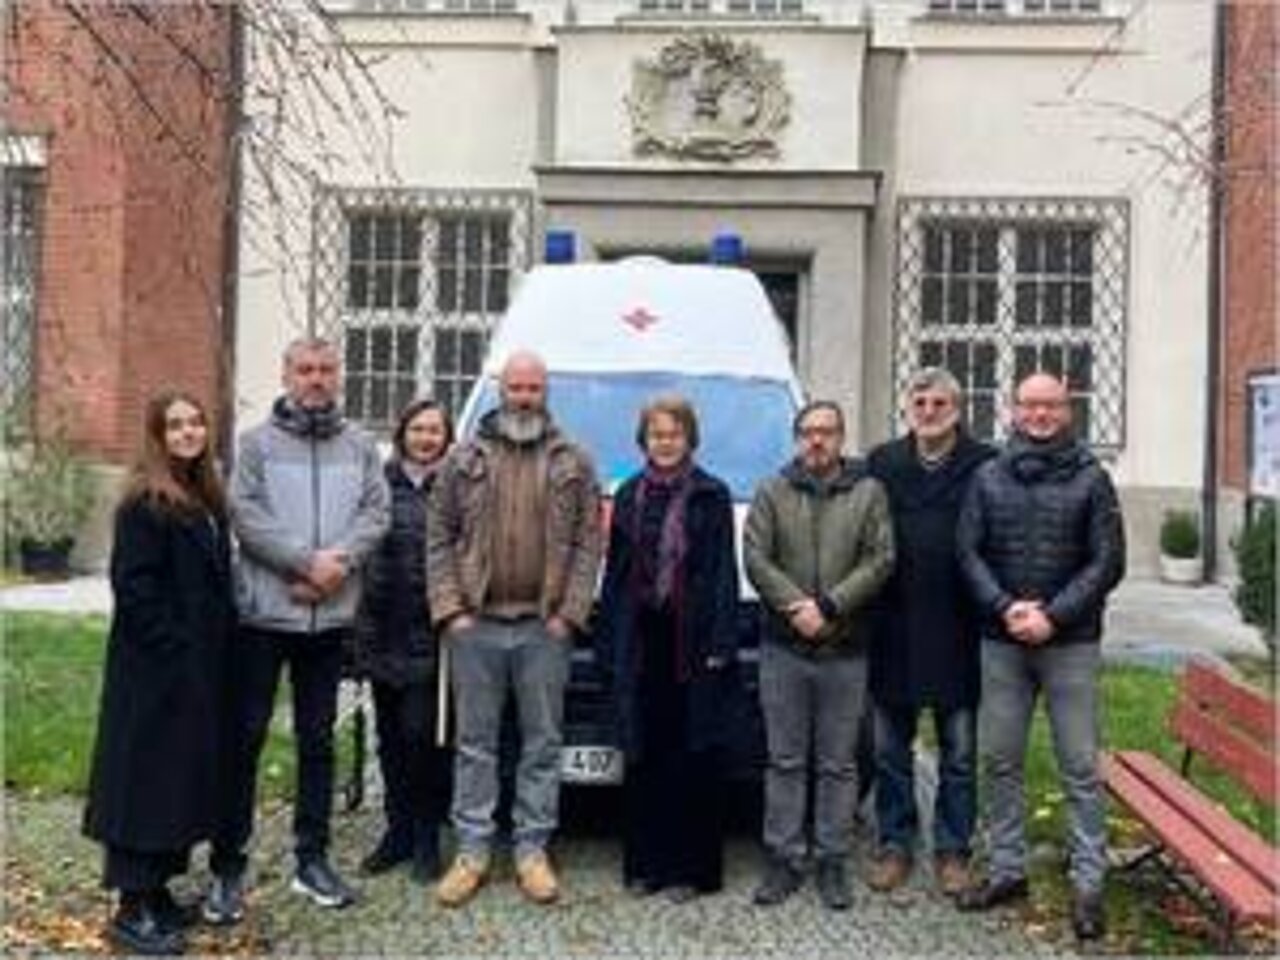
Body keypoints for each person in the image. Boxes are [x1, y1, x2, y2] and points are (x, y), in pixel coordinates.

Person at [205, 337, 389, 921]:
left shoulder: (361, 446)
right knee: (245, 740)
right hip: (264, 616)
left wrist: (338, 567)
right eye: (305, 369)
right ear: (286, 375)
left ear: (339, 376)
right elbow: (245, 515)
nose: (316, 379)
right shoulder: (255, 444)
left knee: (318, 743)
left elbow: (376, 513)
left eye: (326, 369)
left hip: (328, 620)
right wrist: (306, 565)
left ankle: (312, 860)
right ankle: (227, 867)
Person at [427, 350, 602, 908]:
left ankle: (532, 851)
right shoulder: (463, 458)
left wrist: (568, 614)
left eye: (533, 388)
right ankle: (472, 852)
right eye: (516, 387)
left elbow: (589, 542)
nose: (524, 397)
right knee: (475, 744)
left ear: (545, 392)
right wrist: (451, 611)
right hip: (475, 625)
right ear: (501, 389)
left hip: (543, 628)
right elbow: (439, 536)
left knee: (542, 743)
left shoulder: (574, 459)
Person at [955, 372, 1125, 941]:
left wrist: (1053, 615)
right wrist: (1004, 607)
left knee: (1079, 767)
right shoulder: (988, 476)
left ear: (1067, 410)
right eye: (1030, 405)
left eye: (1050, 405)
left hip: (1070, 643)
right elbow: (968, 552)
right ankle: (1007, 869)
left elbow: (1108, 561)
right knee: (1000, 760)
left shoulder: (1093, 479)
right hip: (1002, 640)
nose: (1040, 414)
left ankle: (1088, 885)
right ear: (1013, 410)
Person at [83, 391, 234, 955]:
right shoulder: (145, 503)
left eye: (196, 423)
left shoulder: (203, 496)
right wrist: (177, 650)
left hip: (196, 671)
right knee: (144, 785)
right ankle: (132, 907)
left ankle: (157, 891)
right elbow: (135, 589)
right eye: (175, 425)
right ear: (157, 436)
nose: (189, 432)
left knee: (176, 784)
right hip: (154, 674)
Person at [744, 400, 894, 911]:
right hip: (784, 646)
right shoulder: (772, 490)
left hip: (845, 649)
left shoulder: (868, 491)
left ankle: (832, 858)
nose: (817, 440)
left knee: (838, 763)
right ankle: (783, 857)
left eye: (826, 431)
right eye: (808, 431)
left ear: (841, 437)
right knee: (784, 759)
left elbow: (881, 558)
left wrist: (829, 607)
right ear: (797, 437)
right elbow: (756, 557)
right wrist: (798, 609)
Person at [597, 395, 740, 903]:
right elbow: (616, 573)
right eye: (657, 434)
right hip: (640, 640)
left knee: (691, 755)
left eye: (674, 434)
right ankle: (646, 866)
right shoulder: (628, 493)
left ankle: (689, 871)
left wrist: (721, 640)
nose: (665, 442)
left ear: (690, 439)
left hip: (692, 641)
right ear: (643, 440)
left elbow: (723, 571)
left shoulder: (711, 494)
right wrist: (608, 640)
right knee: (643, 753)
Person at [865, 368, 996, 896]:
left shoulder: (984, 464)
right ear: (908, 408)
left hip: (959, 626)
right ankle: (895, 843)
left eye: (939, 403)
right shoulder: (883, 463)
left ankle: (953, 849)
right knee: (890, 751)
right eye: (919, 402)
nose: (928, 411)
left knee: (959, 753)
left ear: (957, 409)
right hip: (893, 623)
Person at [353, 399, 455, 885]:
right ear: (402, 434)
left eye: (435, 430)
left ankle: (427, 835)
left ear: (447, 438)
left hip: (432, 633)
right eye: (418, 429)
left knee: (424, 738)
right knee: (390, 738)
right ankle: (396, 832)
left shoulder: (455, 487)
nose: (426, 438)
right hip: (382, 628)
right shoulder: (377, 484)